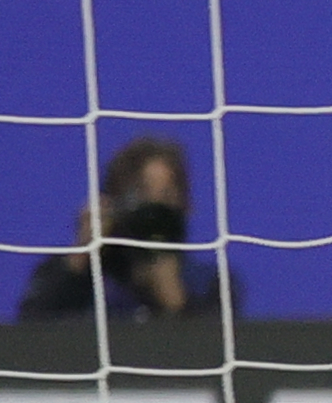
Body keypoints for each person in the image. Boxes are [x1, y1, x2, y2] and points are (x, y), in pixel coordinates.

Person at [19, 135, 214, 322]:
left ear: (185, 205)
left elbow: (216, 346)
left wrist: (174, 297)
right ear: (113, 199)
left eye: (166, 195)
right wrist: (82, 253)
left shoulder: (209, 283)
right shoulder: (76, 276)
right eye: (141, 193)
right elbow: (31, 332)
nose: (153, 208)